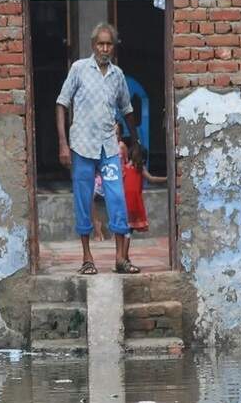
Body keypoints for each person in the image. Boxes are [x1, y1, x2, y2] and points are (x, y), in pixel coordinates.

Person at [56, 22, 141, 275]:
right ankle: (87, 258)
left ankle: (120, 259)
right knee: (83, 200)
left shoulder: (118, 75)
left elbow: (127, 110)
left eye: (109, 44)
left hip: (109, 147)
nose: (105, 48)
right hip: (81, 146)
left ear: (114, 47)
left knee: (116, 198)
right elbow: (61, 103)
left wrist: (135, 143)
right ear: (93, 46)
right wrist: (63, 143)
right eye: (100, 44)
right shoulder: (79, 69)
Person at [119, 141, 166, 266]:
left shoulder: (124, 168)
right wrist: (167, 178)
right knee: (129, 232)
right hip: (134, 203)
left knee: (125, 230)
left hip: (124, 203)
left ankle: (125, 257)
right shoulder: (140, 169)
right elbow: (152, 179)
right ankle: (124, 257)